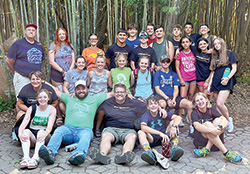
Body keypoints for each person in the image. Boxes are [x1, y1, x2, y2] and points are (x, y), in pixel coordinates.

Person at [38, 80, 114, 166]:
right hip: (68, 130)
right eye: (78, 89)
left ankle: (78, 155)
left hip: (84, 130)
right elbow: (56, 90)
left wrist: (126, 94)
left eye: (83, 88)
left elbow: (111, 94)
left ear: (87, 89)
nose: (81, 91)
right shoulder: (69, 97)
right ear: (75, 91)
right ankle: (50, 153)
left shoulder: (95, 98)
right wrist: (43, 81)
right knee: (59, 130)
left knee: (87, 135)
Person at [89, 83, 167, 165]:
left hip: (128, 129)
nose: (119, 94)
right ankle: (102, 155)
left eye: (122, 92)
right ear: (114, 93)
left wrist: (160, 108)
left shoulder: (134, 102)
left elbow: (151, 106)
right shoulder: (107, 103)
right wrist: (97, 128)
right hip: (111, 128)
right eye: (117, 92)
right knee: (106, 136)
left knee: (132, 137)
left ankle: (124, 156)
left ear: (126, 93)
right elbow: (100, 112)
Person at [191, 92, 242, 163]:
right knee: (208, 124)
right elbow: (196, 125)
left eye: (201, 99)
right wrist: (211, 130)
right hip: (202, 142)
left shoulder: (211, 110)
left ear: (206, 100)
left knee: (218, 120)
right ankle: (226, 153)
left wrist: (220, 127)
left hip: (215, 145)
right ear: (195, 104)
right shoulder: (194, 113)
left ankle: (207, 149)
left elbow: (225, 120)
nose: (200, 102)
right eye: (197, 101)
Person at [153, 55, 193, 135]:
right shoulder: (157, 74)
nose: (165, 63)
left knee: (190, 104)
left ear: (169, 63)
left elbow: (176, 88)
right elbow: (157, 89)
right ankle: (161, 127)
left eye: (167, 61)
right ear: (160, 63)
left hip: (173, 96)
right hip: (162, 96)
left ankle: (192, 127)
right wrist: (167, 99)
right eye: (163, 61)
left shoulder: (174, 74)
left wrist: (174, 99)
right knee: (161, 104)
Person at [138, 96, 183, 165]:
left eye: (155, 104)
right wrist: (159, 133)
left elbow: (178, 117)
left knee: (174, 122)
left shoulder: (162, 112)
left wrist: (174, 126)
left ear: (158, 105)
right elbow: (143, 127)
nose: (153, 106)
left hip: (165, 137)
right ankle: (148, 152)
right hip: (152, 138)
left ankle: (174, 148)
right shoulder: (146, 115)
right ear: (148, 107)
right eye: (151, 104)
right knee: (140, 132)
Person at [18, 89, 56, 169]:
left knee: (41, 132)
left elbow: (49, 127)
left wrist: (45, 134)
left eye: (45, 97)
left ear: (48, 98)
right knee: (25, 132)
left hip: (44, 135)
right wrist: (20, 133)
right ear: (37, 99)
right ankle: (26, 158)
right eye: (40, 97)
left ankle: (35, 158)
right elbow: (24, 123)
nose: (42, 99)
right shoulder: (32, 108)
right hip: (33, 134)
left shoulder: (52, 109)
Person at [6, 23, 45, 97]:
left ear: (36, 32)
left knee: (36, 99)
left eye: (33, 30)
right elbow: (9, 60)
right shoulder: (18, 44)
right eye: (29, 30)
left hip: (36, 79)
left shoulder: (39, 45)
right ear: (25, 31)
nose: (31, 32)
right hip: (22, 77)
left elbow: (41, 60)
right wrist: (16, 72)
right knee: (21, 99)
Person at [207, 37, 238, 132]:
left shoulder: (230, 53)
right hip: (216, 82)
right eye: (215, 44)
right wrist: (209, 86)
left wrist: (228, 78)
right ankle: (222, 124)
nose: (216, 45)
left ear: (222, 44)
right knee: (217, 105)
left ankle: (229, 121)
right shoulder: (215, 56)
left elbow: (234, 68)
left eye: (218, 43)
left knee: (220, 103)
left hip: (225, 81)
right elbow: (213, 73)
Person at [175, 35, 197, 103]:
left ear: (190, 43)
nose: (185, 44)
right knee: (183, 96)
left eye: (187, 42)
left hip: (193, 77)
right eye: (183, 42)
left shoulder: (194, 52)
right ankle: (180, 113)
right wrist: (180, 79)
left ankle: (189, 112)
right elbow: (177, 67)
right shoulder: (180, 53)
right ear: (181, 44)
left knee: (191, 95)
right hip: (184, 77)